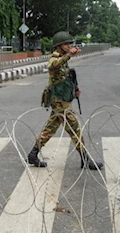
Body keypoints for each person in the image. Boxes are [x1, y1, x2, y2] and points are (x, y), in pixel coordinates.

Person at [27, 31, 103, 170]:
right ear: (59, 46)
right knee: (75, 128)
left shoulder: (64, 61)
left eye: (70, 44)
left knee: (50, 129)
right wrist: (69, 55)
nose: (69, 46)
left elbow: (65, 79)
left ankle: (33, 154)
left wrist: (75, 90)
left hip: (61, 100)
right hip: (59, 102)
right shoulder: (55, 59)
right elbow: (52, 66)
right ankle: (85, 159)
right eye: (66, 44)